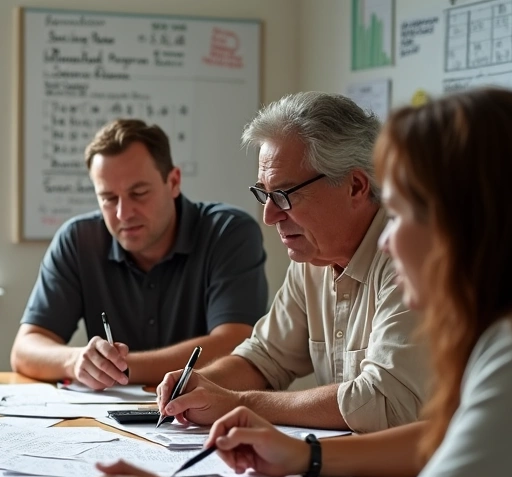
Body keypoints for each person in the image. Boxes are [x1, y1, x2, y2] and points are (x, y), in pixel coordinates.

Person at [95, 87, 512, 477]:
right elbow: (440, 438)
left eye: (402, 212)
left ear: (469, 224)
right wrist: (307, 454)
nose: (388, 240)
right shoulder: (503, 331)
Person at [156, 92, 427, 433]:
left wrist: (241, 403)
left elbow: (386, 403)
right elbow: (264, 358)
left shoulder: (410, 253)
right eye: (264, 194)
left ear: (356, 186)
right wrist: (200, 384)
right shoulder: (314, 255)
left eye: (284, 195)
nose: (269, 216)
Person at [10, 118, 268, 389]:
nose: (123, 213)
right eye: (109, 198)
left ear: (174, 182)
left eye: (139, 193)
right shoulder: (78, 240)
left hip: (210, 410)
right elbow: (24, 350)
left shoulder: (229, 232)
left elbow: (234, 343)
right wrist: (74, 361)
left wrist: (121, 368)